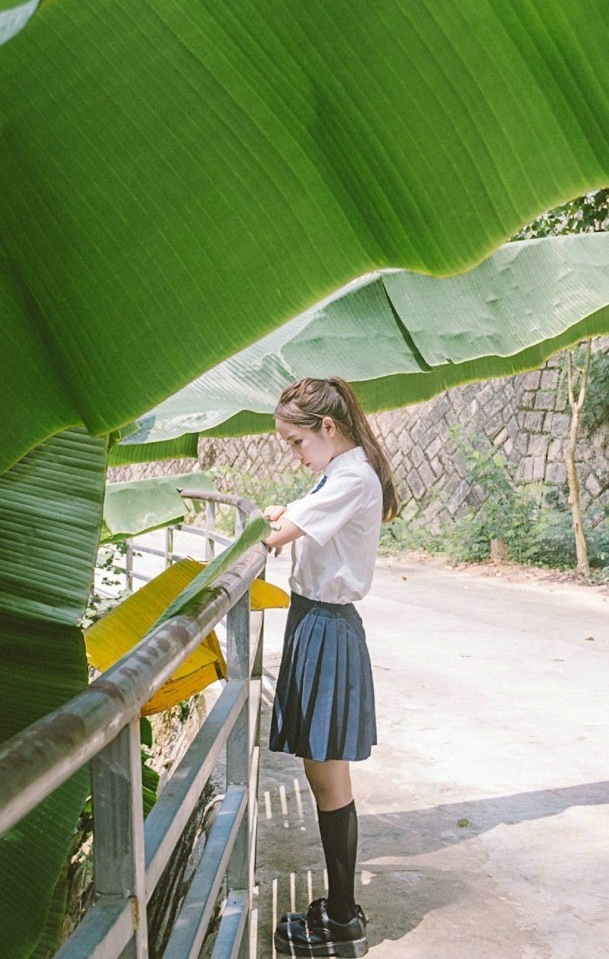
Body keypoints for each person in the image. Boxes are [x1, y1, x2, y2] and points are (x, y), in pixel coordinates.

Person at [262, 377, 397, 959]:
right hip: (316, 621)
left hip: (325, 624)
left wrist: (273, 524)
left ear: (327, 428)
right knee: (325, 775)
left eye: (296, 442)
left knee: (327, 776)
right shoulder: (339, 471)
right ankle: (341, 909)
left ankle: (342, 917)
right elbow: (297, 515)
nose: (295, 454)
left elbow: (279, 534)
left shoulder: (350, 477)